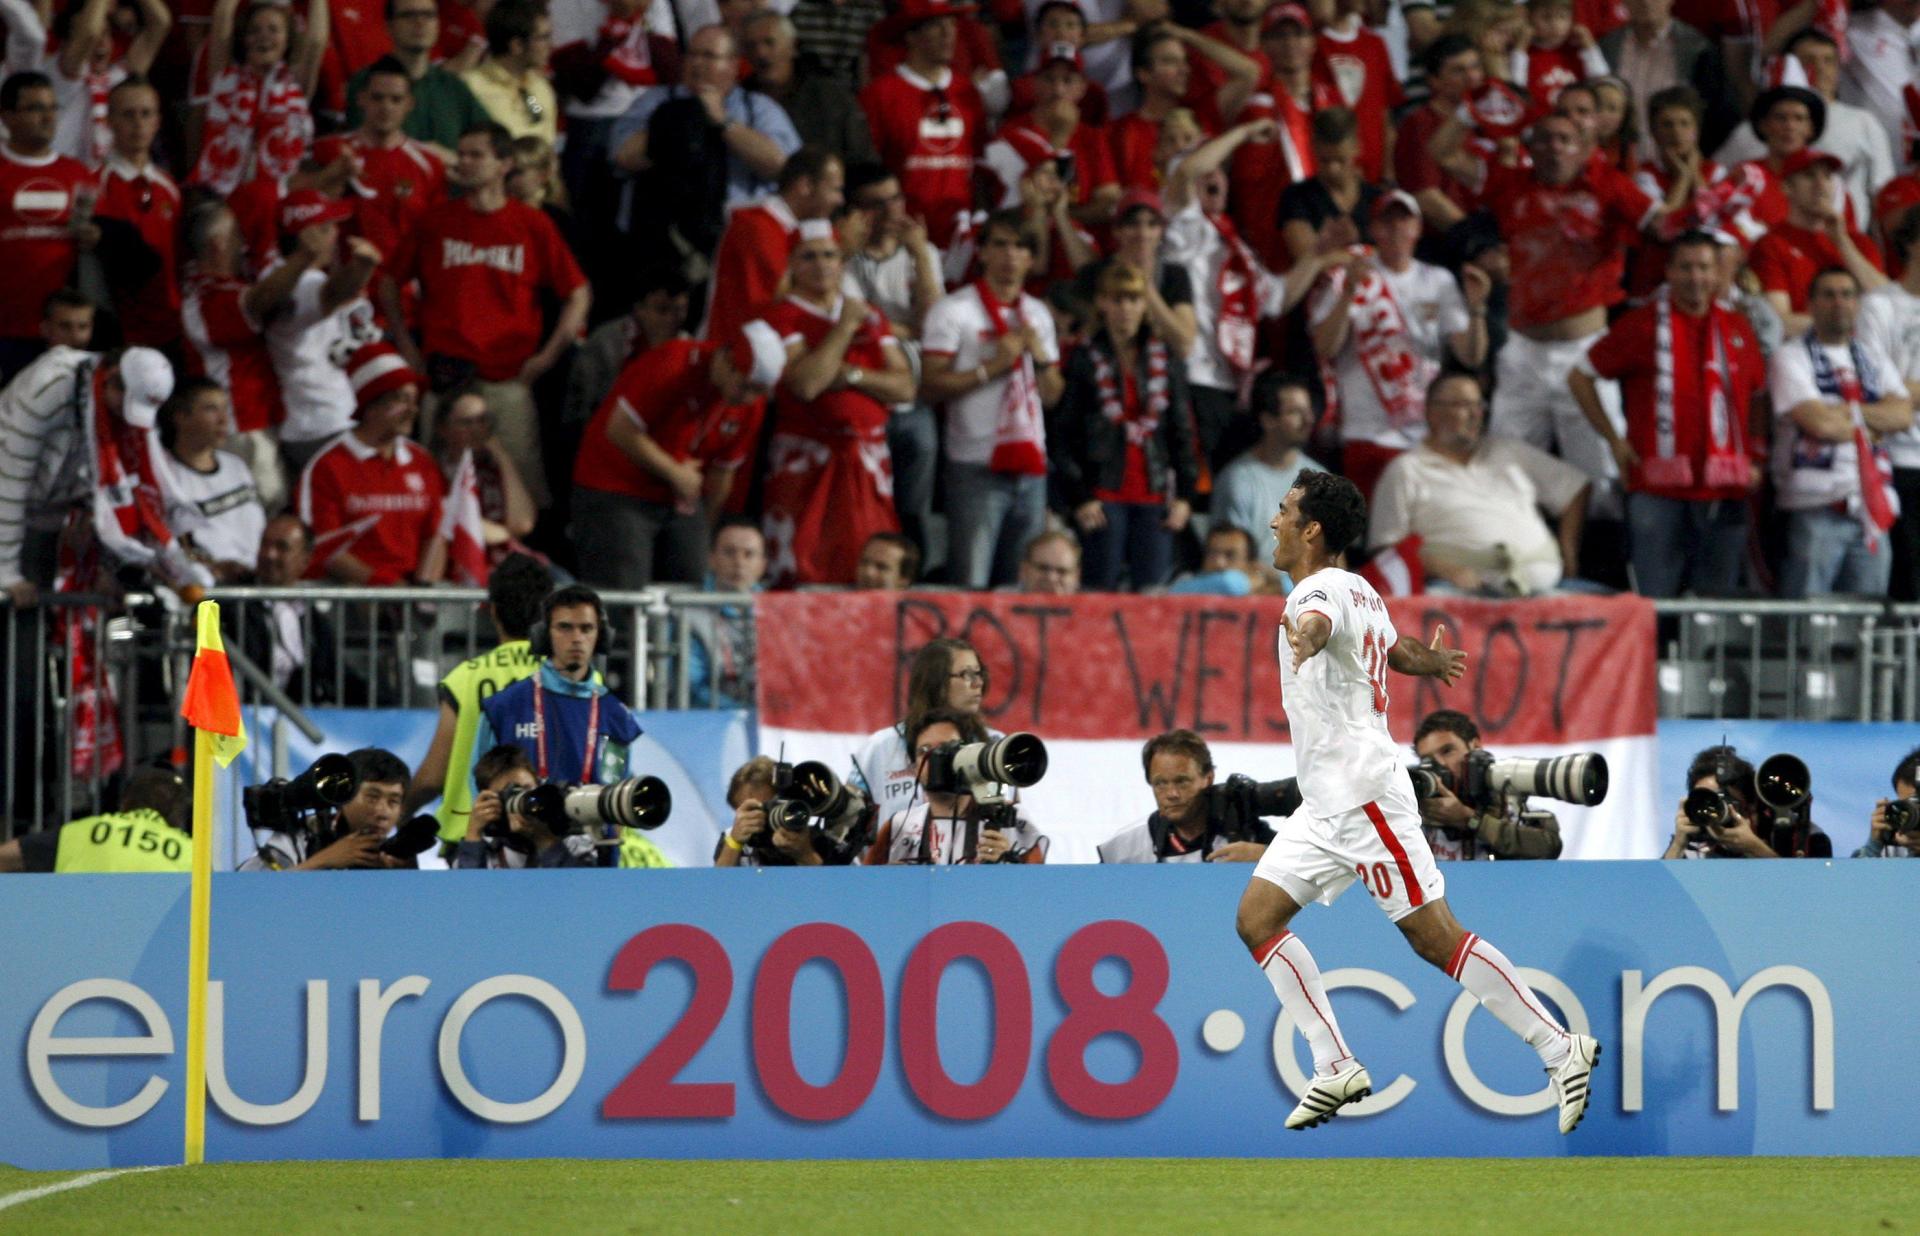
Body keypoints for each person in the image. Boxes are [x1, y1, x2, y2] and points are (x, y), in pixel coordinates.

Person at [1236, 468, 1599, 1134]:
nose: (1273, 523)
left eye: (1284, 511)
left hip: (1367, 798)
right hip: (1325, 806)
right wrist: (1425, 665)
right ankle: (1334, 1064)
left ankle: (1558, 1047)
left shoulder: (1315, 594)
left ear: (1311, 529)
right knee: (1256, 920)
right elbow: (1387, 644)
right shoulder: (1361, 591)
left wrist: (1306, 635)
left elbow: (1318, 624)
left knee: (1435, 939)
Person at [387, 122, 591, 510]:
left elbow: (578, 293)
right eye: (461, 154)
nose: (464, 162)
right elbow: (388, 283)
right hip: (445, 375)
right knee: (431, 484)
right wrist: (406, 347)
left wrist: (548, 357)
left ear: (504, 164)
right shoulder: (435, 222)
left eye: (476, 154)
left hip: (508, 378)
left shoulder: (532, 224)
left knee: (521, 485)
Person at [1570, 231, 1766, 597]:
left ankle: (1704, 656)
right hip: (1657, 489)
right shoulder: (1641, 324)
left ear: (1718, 273)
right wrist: (1614, 441)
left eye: (1705, 268)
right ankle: (1654, 657)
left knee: (1714, 607)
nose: (1696, 277)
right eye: (1686, 267)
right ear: (1669, 272)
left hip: (1725, 489)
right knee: (1654, 600)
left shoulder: (1738, 327)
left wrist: (1756, 456)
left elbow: (1758, 396)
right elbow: (1579, 376)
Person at [572, 321, 787, 588]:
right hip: (616, 486)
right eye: (745, 387)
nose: (749, 398)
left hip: (678, 495)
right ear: (726, 361)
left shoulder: (750, 404)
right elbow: (619, 429)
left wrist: (705, 530)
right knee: (627, 589)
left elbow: (723, 472)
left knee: (693, 582)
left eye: (758, 392)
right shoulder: (673, 363)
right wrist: (675, 473)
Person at [759, 221, 914, 588]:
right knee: (800, 566)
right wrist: (844, 329)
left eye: (830, 254)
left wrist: (850, 375)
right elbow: (808, 383)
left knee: (870, 566)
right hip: (807, 466)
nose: (822, 264)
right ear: (792, 264)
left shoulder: (873, 315)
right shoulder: (781, 316)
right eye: (809, 256)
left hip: (867, 461)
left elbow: (906, 386)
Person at [1309, 189, 1490, 498]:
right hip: (1367, 431)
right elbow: (1325, 347)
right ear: (1374, 229)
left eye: (1404, 220)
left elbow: (1471, 356)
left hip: (1428, 433)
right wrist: (1349, 293)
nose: (1396, 230)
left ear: (1418, 228)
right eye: (1387, 222)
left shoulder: (1439, 280)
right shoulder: (1350, 274)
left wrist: (1476, 309)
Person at [921, 211, 1066, 589]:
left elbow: (1051, 397)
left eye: (1020, 246)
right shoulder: (953, 310)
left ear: (1031, 259)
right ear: (982, 252)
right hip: (974, 465)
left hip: (1031, 467)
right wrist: (993, 367)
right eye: (999, 244)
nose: (1009, 255)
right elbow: (930, 386)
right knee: (971, 585)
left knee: (1024, 588)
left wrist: (1043, 359)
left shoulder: (1037, 315)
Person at [0, 344, 199, 606]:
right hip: (9, 501)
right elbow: (9, 481)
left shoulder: (115, 404)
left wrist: (105, 568)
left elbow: (118, 494)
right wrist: (5, 572)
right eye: (126, 404)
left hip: (47, 517)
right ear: (113, 379)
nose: (127, 418)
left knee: (31, 619)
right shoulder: (47, 386)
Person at [1370, 374, 1593, 596]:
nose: (1476, 414)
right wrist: (1445, 570)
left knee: (1622, 608)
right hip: (1458, 596)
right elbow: (1387, 546)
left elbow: (1574, 487)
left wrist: (1568, 553)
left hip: (1545, 593)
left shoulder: (1510, 452)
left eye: (1478, 405)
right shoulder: (1406, 470)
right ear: (1432, 412)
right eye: (1464, 405)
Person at [474, 585, 648, 867]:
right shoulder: (504, 707)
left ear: (600, 637)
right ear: (544, 635)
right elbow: (479, 787)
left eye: (586, 629)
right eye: (565, 628)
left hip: (588, 857)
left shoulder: (616, 716)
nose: (576, 639)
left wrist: (610, 856)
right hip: (514, 854)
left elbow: (617, 800)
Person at [1769, 266, 1915, 597]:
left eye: (1848, 295)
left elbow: (1903, 416)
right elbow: (1819, 424)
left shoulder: (1872, 356)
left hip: (1871, 509)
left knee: (1865, 624)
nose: (1840, 303)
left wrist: (1844, 414)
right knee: (1808, 620)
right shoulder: (1790, 356)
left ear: (1858, 304)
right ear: (1811, 304)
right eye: (1829, 295)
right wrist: (1873, 422)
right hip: (1816, 507)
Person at [1054, 262, 1199, 591]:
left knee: (1152, 596)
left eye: (1134, 300)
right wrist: (1079, 497)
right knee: (1098, 592)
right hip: (1102, 495)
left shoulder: (1164, 358)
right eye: (1117, 300)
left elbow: (1181, 430)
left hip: (1155, 492)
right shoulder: (1084, 358)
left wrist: (1186, 497)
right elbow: (1064, 434)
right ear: (1102, 303)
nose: (1126, 309)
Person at [609, 23, 799, 257]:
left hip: (739, 238)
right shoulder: (655, 101)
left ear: (732, 65)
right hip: (661, 238)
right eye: (692, 54)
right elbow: (622, 155)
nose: (697, 63)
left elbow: (784, 167)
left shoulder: (758, 109)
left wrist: (724, 122)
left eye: (708, 56)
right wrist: (680, 120)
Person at [407, 553, 555, 846]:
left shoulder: (466, 678)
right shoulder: (576, 681)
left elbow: (432, 779)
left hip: (475, 838)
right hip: (551, 837)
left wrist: (400, 814)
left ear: (494, 611)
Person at [843, 161, 944, 555]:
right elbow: (859, 324)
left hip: (916, 399)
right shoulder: (847, 260)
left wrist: (919, 253)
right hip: (868, 398)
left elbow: (933, 323)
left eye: (896, 199)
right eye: (877, 204)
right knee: (869, 500)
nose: (891, 212)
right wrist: (905, 326)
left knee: (914, 507)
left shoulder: (924, 253)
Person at [295, 339, 448, 586]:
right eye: (401, 400)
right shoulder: (328, 466)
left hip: (414, 596)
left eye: (414, 400)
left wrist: (422, 592)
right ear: (371, 407)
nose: (412, 410)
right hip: (351, 599)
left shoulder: (423, 462)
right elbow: (323, 547)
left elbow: (437, 533)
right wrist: (387, 587)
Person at [1715, 30, 1893, 227]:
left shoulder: (1834, 188)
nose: (1790, 126)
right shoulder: (1744, 169)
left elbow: (1879, 201)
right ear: (1763, 124)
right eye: (1780, 118)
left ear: (1810, 128)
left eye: (1799, 119)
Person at [263, 190, 384, 474]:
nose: (335, 235)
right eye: (327, 228)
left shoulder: (302, 276)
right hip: (320, 425)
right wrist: (362, 267)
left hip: (333, 419)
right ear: (307, 235)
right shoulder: (295, 282)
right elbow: (329, 296)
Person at [859, 0, 988, 248]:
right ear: (911, 36)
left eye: (951, 24)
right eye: (937, 26)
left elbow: (980, 164)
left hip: (961, 237)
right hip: (900, 237)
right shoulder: (879, 95)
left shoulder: (967, 92)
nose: (948, 33)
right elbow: (869, 171)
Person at [0, 71, 98, 380]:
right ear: (7, 117)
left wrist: (96, 237)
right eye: (35, 108)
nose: (48, 117)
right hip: (6, 328)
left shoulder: (79, 174)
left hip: (65, 333)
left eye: (52, 108)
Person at [700, 146, 844, 347]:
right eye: (835, 189)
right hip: (737, 358)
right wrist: (847, 251)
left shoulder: (812, 230)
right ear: (804, 186)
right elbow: (782, 302)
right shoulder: (755, 228)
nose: (840, 200)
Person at [865, 707, 1048, 864]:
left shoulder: (1013, 822)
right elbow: (865, 890)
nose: (936, 759)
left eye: (948, 748)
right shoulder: (899, 827)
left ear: (967, 755)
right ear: (913, 768)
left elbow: (1038, 892)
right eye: (925, 751)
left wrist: (1009, 863)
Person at [850, 637, 994, 829]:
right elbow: (847, 827)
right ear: (935, 680)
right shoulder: (881, 748)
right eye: (967, 674)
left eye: (979, 674)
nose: (978, 684)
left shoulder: (994, 746)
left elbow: (1012, 827)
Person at [1853, 209, 1920, 601]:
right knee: (1907, 581)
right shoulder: (1878, 306)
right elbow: (1875, 388)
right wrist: (1897, 394)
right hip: (1898, 461)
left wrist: (1905, 389)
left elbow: (1898, 389)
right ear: (1911, 244)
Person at [1748, 148, 1887, 335]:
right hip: (1802, 353)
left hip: (1862, 351)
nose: (1820, 184)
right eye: (1809, 176)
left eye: (1828, 176)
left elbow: (1887, 300)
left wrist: (1842, 243)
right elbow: (1780, 321)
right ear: (1786, 187)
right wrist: (1849, 325)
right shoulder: (1771, 244)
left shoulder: (1858, 243)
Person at [94, 78, 182, 351]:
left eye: (146, 114)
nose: (138, 123)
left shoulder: (170, 189)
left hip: (169, 322)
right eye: (128, 114)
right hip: (119, 325)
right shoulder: (96, 183)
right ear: (110, 121)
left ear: (157, 121)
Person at [1098, 729, 1272, 862]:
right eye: (1160, 783)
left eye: (1182, 781)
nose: (1172, 794)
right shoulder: (1126, 848)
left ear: (1208, 778)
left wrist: (1265, 855)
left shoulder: (1247, 835)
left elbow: (1297, 867)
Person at [1412, 710, 1565, 860]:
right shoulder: (1415, 818)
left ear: (1475, 746)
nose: (1440, 764)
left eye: (1447, 751)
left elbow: (1549, 847)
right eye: (1427, 759)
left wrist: (1469, 820)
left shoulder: (1516, 811)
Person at [344, 0, 491, 153]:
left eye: (428, 15)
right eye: (408, 15)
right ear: (389, 27)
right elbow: (368, 143)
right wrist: (434, 155)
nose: (420, 22)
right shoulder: (368, 82)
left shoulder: (452, 85)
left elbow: (491, 140)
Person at [159, 378, 266, 585]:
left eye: (225, 409)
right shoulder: (165, 474)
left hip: (254, 589)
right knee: (208, 618)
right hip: (207, 594)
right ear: (181, 417)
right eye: (211, 409)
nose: (224, 420)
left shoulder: (237, 467)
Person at [1210, 375, 1328, 561]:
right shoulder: (1238, 479)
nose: (1309, 420)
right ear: (1268, 420)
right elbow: (1232, 560)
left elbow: (1334, 553)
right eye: (1295, 412)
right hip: (1256, 587)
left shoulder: (1321, 479)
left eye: (1308, 411)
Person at [242, 748, 413, 870]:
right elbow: (248, 894)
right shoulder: (299, 841)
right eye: (372, 797)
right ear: (344, 797)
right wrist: (323, 861)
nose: (382, 812)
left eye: (393, 801)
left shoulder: (396, 857)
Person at [743, 10, 878, 166]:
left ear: (793, 46)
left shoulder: (830, 96)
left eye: (769, 42)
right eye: (751, 46)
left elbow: (862, 156)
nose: (760, 53)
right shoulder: (740, 101)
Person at [0, 766, 191, 873]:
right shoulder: (190, 852)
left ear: (125, 802)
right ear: (178, 814)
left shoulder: (82, 833)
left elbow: (4, 857)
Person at [684, 517, 767, 708]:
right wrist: (740, 714)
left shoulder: (780, 614)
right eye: (729, 552)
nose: (739, 562)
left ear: (763, 565)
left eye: (749, 554)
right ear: (711, 559)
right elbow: (690, 687)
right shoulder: (687, 613)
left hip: (769, 724)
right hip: (709, 723)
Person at [462, 0, 559, 144]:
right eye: (543, 38)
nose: (551, 45)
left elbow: (546, 144)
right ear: (517, 45)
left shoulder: (540, 87)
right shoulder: (470, 87)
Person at [1662, 744, 1779, 857]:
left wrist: (1755, 848)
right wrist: (1678, 846)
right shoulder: (1694, 837)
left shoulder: (1776, 834)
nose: (1712, 810)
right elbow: (1655, 877)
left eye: (1723, 800)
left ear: (1751, 806)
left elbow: (1792, 876)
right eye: (1705, 800)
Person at [1854, 745, 1920, 857]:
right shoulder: (1895, 839)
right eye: (1908, 805)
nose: (1915, 813)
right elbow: (1856, 874)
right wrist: (1873, 846)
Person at [1017, 530, 1083, 594]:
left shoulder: (1092, 604)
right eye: (1043, 568)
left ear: (1076, 577)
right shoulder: (1006, 601)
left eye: (1062, 571)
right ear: (1024, 570)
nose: (1051, 578)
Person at [854, 531, 920, 590]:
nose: (868, 573)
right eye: (864, 562)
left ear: (904, 579)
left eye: (881, 567)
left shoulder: (922, 602)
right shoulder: (843, 598)